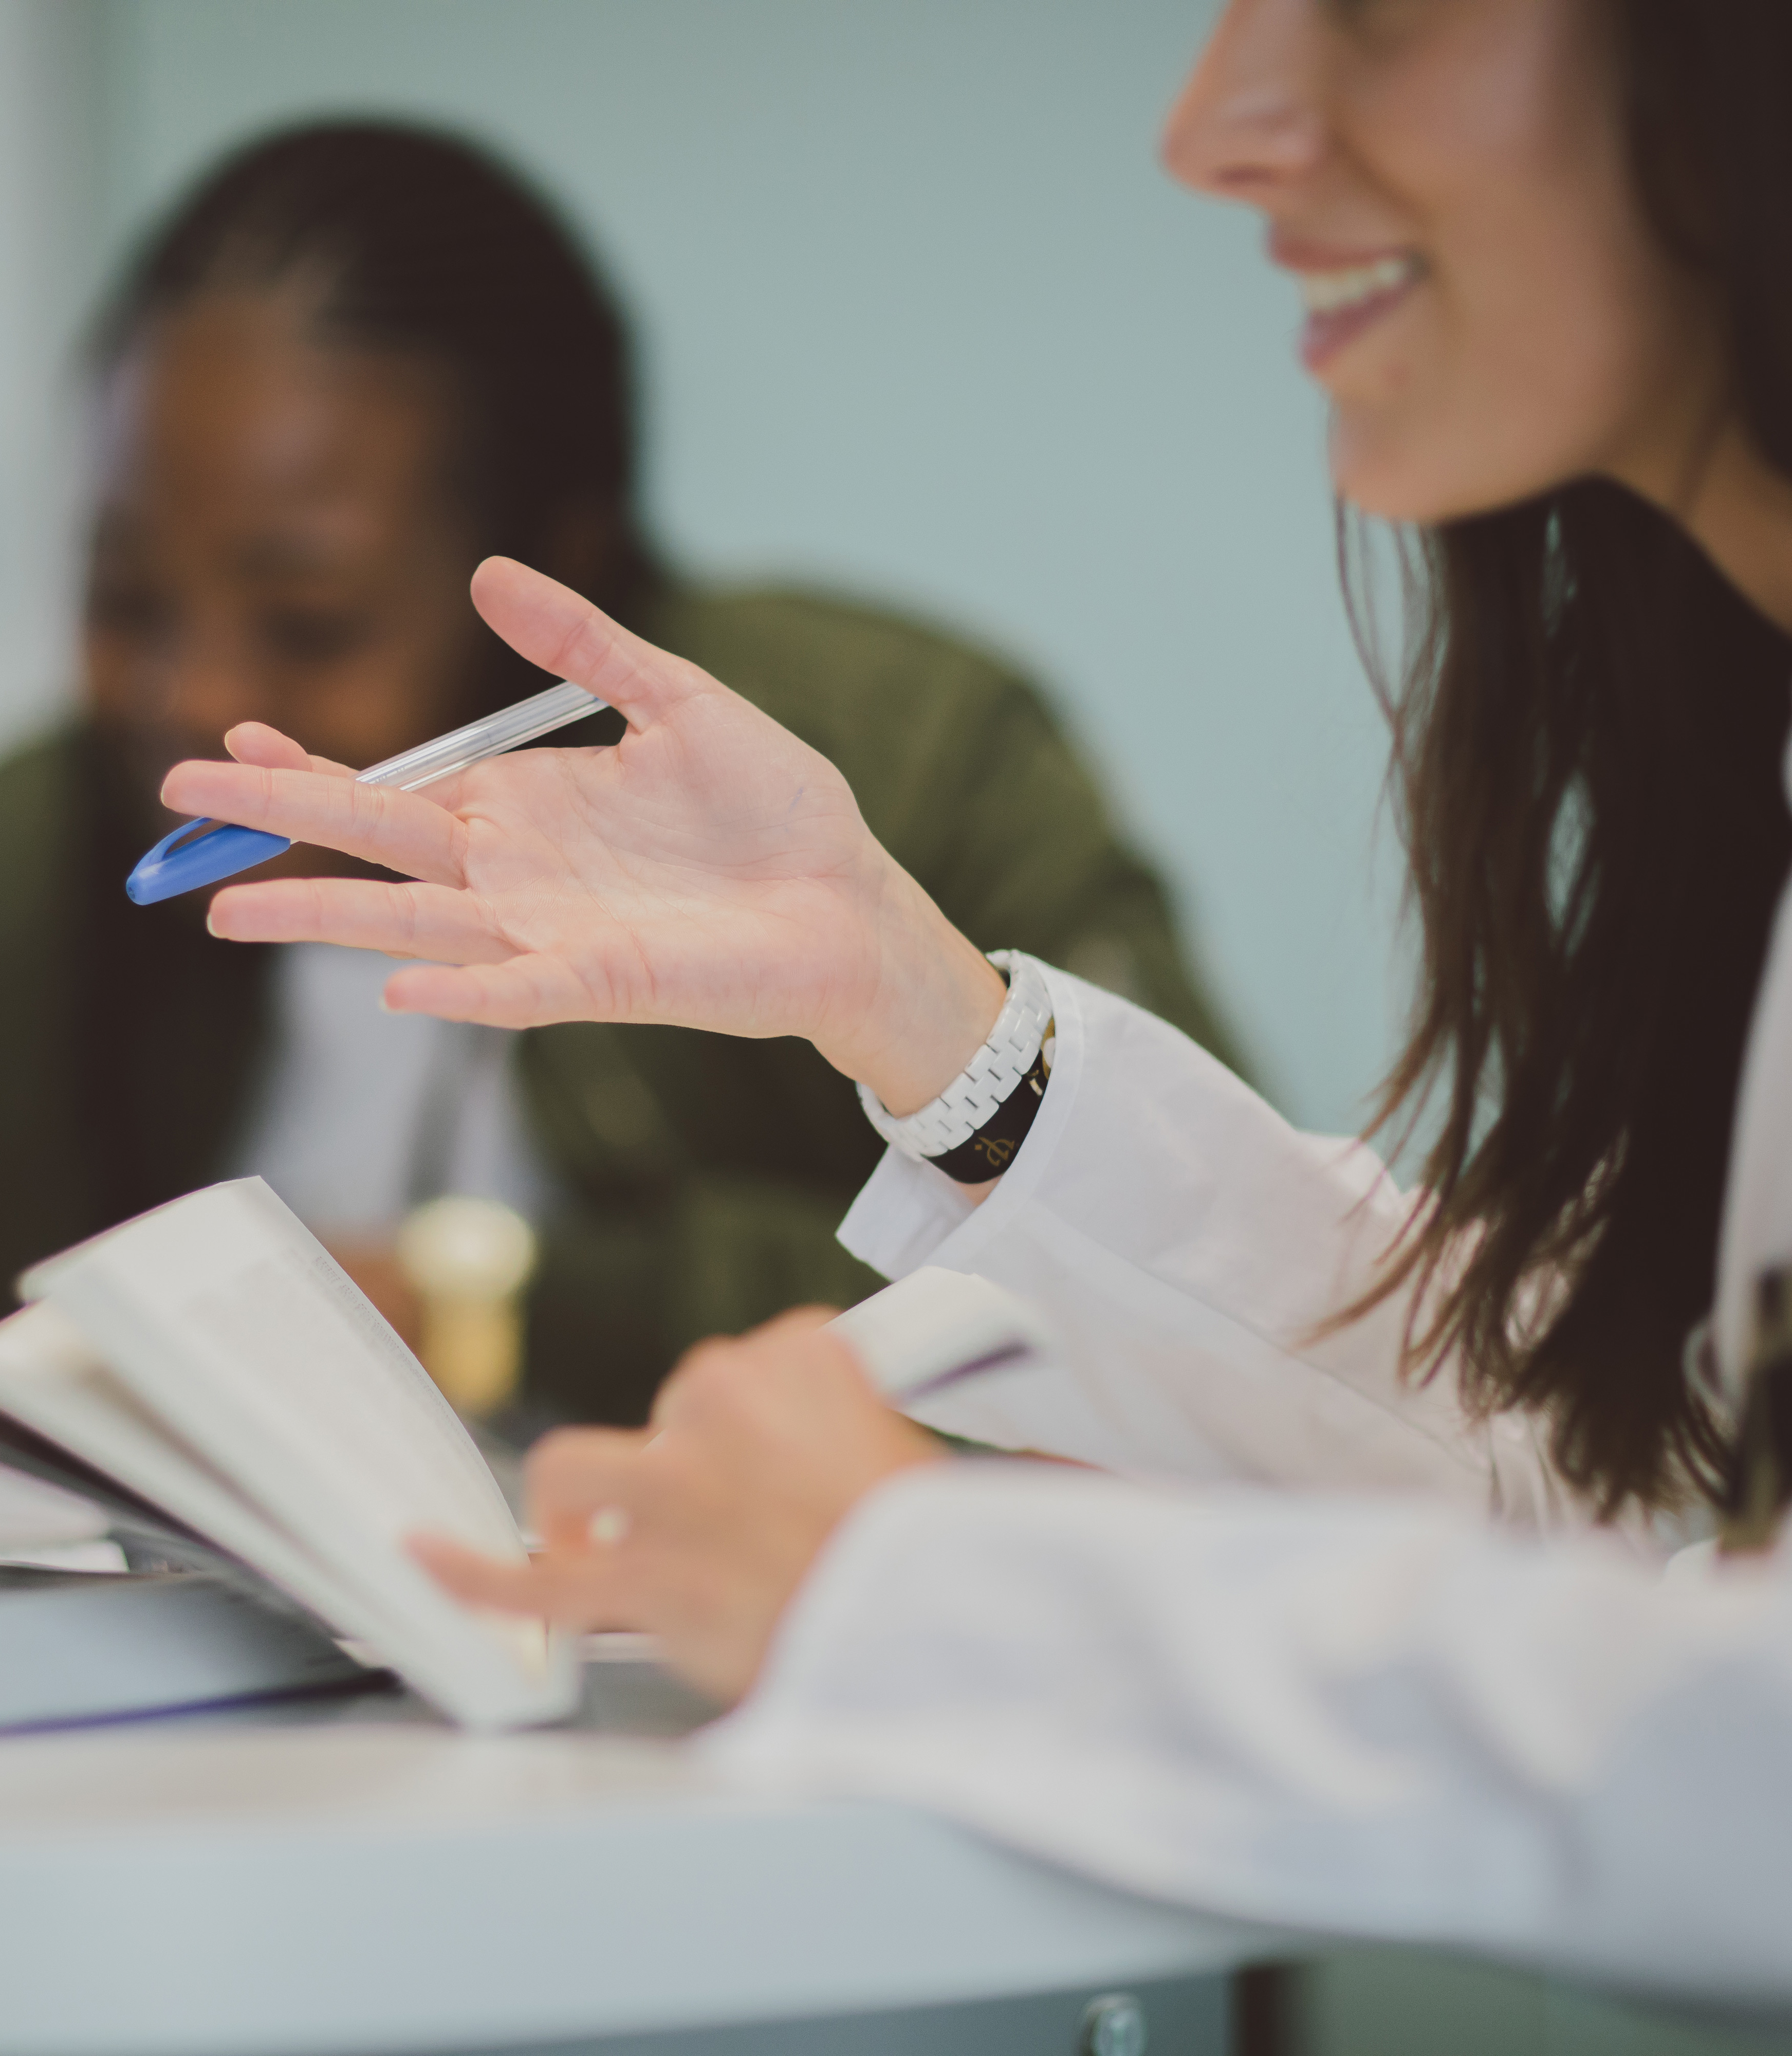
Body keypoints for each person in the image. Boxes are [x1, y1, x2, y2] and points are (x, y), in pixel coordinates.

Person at [164, 0, 1792, 2004]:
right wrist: (935, 1021)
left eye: (1377, 10)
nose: (1210, 127)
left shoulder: (915, 712)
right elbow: (1626, 1468)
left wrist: (924, 1596)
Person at [0, 122, 1236, 1438]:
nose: (183, 697)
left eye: (309, 621)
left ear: (549, 569)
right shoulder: (55, 827)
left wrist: (487, 1306)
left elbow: (1183, 1287)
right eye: (123, 597)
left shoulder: (898, 749)